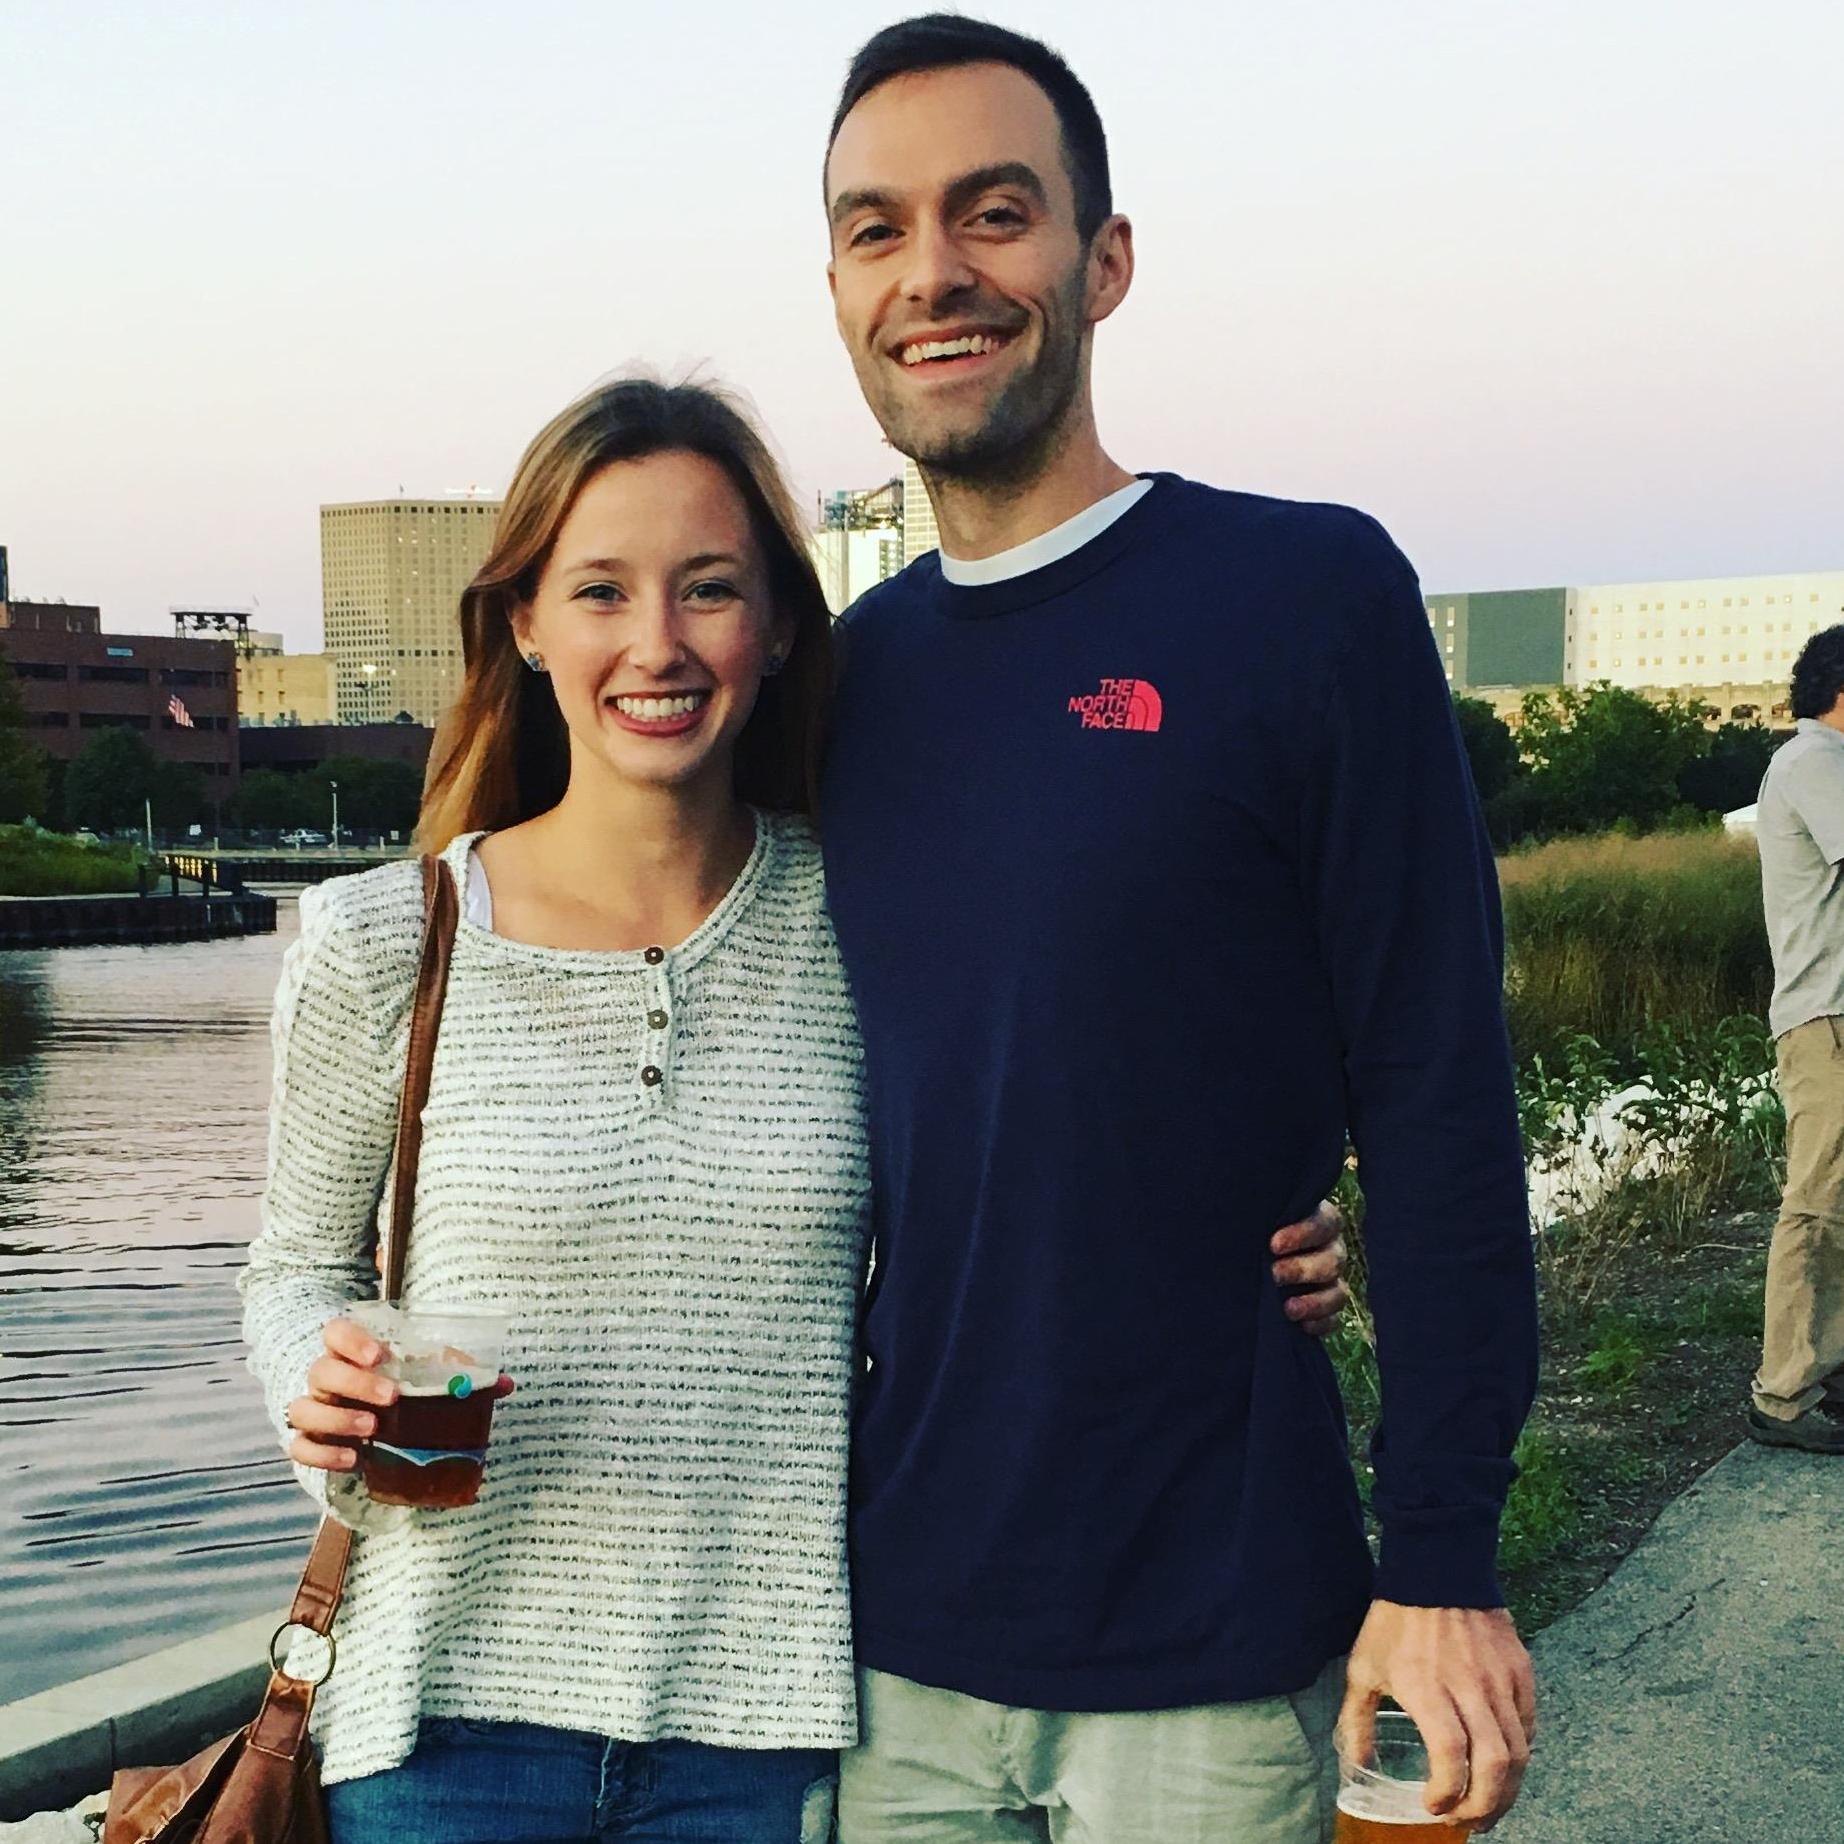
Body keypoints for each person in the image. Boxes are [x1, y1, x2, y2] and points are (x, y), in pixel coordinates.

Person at [240, 374, 1353, 1842]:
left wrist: (1246, 1234)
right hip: (444, 1723)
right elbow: (293, 1270)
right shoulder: (387, 940)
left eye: (710, 589)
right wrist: (312, 1387)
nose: (657, 644)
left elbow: (1025, 1158)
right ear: (524, 624)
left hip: (762, 1735)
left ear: (773, 627)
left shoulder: (871, 912)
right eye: (600, 592)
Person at [817, 16, 1541, 1841]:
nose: (935, 275)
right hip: (883, 1645)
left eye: (993, 214)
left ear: (1101, 260)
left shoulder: (1300, 597)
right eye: (876, 228)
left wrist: (1441, 1546)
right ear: (835, 282)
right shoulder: (835, 685)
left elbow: (1438, 1084)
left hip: (1211, 1635)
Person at [1747, 623, 1844, 1455]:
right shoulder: (1814, 762)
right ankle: (1784, 1394)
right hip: (1829, 1018)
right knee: (1816, 1200)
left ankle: (1828, 1362)